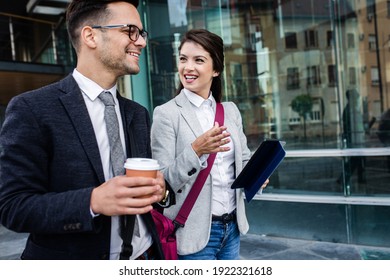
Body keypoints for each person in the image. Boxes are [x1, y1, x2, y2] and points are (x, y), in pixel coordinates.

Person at [0, 0, 173, 260]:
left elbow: (151, 191)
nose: (141, 42)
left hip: (144, 256)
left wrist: (163, 191)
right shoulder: (31, 109)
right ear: (90, 35)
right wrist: (93, 201)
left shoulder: (138, 114)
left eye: (142, 33)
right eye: (130, 31)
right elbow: (13, 207)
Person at [151, 29, 268, 260]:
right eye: (183, 59)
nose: (188, 67)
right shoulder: (166, 114)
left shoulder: (230, 111)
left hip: (232, 228)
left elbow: (243, 160)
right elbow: (161, 184)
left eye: (199, 60)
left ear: (215, 70)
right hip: (192, 234)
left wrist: (257, 175)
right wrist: (196, 150)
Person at [339, 89, 366, 184]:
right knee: (355, 161)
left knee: (357, 161)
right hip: (354, 140)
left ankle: (358, 179)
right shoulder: (350, 111)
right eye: (356, 98)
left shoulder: (350, 110)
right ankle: (343, 179)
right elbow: (354, 126)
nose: (357, 100)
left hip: (354, 139)